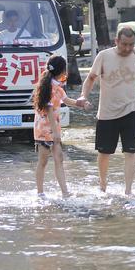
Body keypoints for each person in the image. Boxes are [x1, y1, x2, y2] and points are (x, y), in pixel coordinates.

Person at [77, 26, 135, 196]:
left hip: (132, 109)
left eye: (131, 45)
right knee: (104, 152)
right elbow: (90, 79)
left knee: (130, 151)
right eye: (124, 44)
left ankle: (128, 191)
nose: (127, 48)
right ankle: (103, 186)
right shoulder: (104, 56)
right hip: (107, 113)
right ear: (116, 41)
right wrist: (83, 96)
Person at [33, 55, 90, 198]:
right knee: (43, 161)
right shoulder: (49, 88)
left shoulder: (58, 88)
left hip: (53, 130)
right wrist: (56, 134)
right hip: (43, 131)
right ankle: (40, 192)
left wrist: (80, 103)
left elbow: (66, 100)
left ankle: (65, 192)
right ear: (62, 70)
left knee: (59, 159)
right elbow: (50, 111)